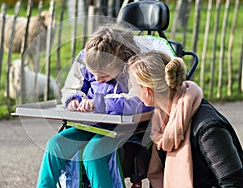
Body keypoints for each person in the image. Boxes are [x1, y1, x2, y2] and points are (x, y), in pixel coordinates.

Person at [36, 24, 153, 188]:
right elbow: (72, 87)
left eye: (104, 75)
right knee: (55, 145)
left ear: (120, 62)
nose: (97, 80)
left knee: (94, 152)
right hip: (92, 125)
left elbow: (140, 100)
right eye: (94, 75)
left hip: (123, 130)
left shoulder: (135, 65)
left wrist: (101, 103)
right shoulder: (89, 58)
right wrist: (74, 99)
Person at [128, 50, 243, 187]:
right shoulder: (162, 122)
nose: (133, 92)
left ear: (147, 91)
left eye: (134, 87)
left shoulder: (208, 129)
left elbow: (234, 183)